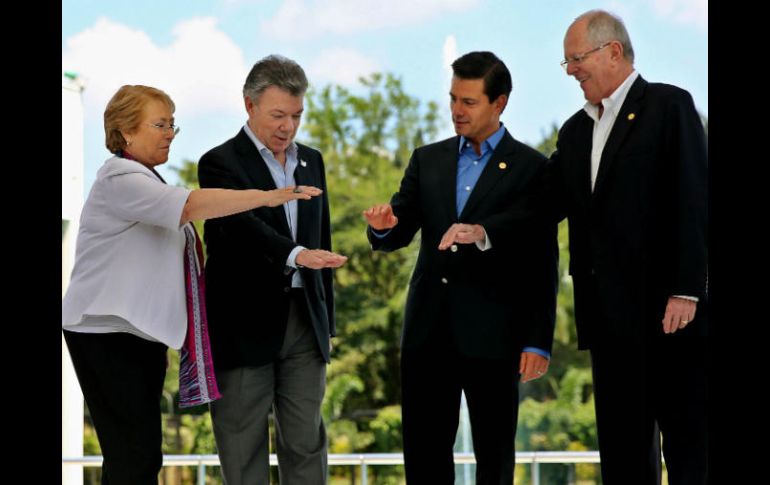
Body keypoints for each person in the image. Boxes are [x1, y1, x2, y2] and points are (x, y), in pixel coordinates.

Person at [61, 84, 321, 485]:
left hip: (133, 335)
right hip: (106, 332)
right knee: (136, 456)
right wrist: (269, 197)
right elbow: (191, 206)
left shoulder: (148, 182)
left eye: (173, 125)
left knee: (135, 455)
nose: (169, 133)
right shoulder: (122, 177)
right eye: (160, 124)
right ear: (126, 131)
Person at [363, 51, 558, 484]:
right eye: (453, 98)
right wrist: (382, 228)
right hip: (427, 334)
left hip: (497, 338)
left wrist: (537, 341)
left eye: (468, 102)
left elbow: (542, 261)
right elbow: (398, 229)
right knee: (424, 455)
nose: (456, 110)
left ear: (499, 103)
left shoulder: (532, 169)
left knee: (494, 456)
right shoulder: (426, 159)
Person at [544, 10, 708, 484]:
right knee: (623, 456)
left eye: (577, 59)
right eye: (567, 63)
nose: (571, 70)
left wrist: (686, 289)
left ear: (613, 51)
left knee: (688, 448)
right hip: (608, 323)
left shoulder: (669, 106)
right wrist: (482, 226)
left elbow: (694, 198)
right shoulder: (575, 132)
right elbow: (540, 203)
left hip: (672, 315)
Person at [198, 54, 347, 485]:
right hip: (243, 326)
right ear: (249, 105)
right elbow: (244, 229)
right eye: (278, 114)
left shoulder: (311, 161)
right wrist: (296, 254)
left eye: (297, 116)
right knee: (242, 445)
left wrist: (327, 324)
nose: (288, 126)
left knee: (306, 442)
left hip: (305, 321)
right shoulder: (219, 163)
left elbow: (324, 240)